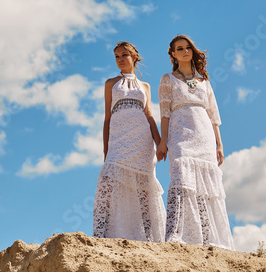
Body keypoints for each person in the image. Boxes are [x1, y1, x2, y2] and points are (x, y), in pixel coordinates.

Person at [157, 35, 234, 250]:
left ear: (192, 50)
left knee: (206, 188)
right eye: (179, 49)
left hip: (205, 135)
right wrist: (163, 142)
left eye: (187, 47)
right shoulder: (167, 79)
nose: (184, 51)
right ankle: (177, 234)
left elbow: (213, 116)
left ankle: (208, 238)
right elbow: (164, 114)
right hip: (180, 134)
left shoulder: (204, 81)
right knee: (182, 177)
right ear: (172, 54)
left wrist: (219, 144)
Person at [93, 41, 166, 242]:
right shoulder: (110, 83)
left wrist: (160, 143)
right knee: (108, 181)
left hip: (142, 141)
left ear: (134, 57)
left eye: (124, 55)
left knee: (143, 188)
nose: (119, 60)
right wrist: (106, 150)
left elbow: (150, 115)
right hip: (119, 140)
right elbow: (107, 118)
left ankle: (150, 236)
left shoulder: (145, 86)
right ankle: (102, 235)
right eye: (116, 56)